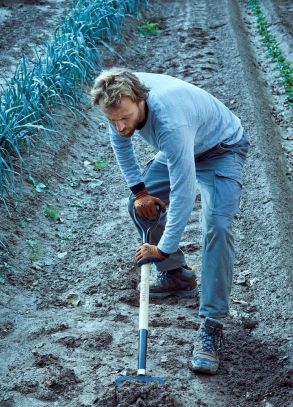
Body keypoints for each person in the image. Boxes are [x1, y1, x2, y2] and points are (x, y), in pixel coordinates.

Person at [90, 68, 249, 375]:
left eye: (125, 117)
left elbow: (184, 191)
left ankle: (212, 324)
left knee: (217, 225)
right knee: (141, 207)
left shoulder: (169, 121)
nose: (121, 126)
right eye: (113, 120)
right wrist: (139, 192)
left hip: (221, 149)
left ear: (140, 99)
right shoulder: (114, 99)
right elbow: (121, 146)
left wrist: (162, 247)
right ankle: (176, 276)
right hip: (183, 148)